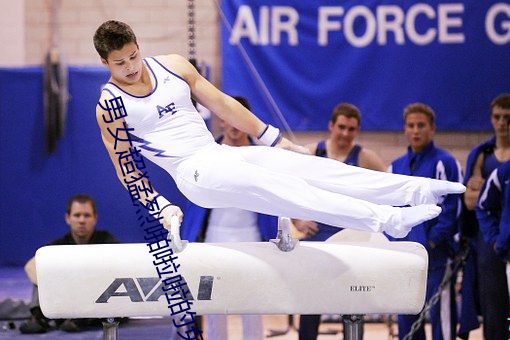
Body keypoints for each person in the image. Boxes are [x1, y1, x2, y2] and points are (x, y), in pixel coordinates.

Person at [93, 20, 465, 250]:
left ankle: (412, 189)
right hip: (193, 175)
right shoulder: (109, 106)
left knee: (310, 168)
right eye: (119, 63)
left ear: (139, 46)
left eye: (133, 56)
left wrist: (273, 138)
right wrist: (161, 207)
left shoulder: (172, 66)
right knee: (283, 189)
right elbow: (127, 171)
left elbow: (223, 103)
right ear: (105, 63)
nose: (130, 67)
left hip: (219, 155)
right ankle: (386, 220)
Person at [181, 96, 278, 340]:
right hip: (214, 238)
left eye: (239, 120)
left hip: (254, 239)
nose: (235, 126)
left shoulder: (262, 159)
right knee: (214, 305)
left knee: (253, 306)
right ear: (221, 120)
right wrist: (187, 238)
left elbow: (275, 199)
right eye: (229, 119)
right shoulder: (204, 154)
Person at [296, 102, 386, 340]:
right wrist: (297, 220)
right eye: (342, 127)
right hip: (317, 235)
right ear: (331, 126)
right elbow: (285, 189)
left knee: (354, 300)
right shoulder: (311, 152)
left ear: (357, 131)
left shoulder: (366, 158)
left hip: (351, 239)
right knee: (310, 302)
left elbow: (389, 192)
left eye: (351, 129)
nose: (346, 134)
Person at [387, 103, 462, 340]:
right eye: (411, 126)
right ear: (405, 130)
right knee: (407, 321)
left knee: (442, 320)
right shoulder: (395, 167)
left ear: (432, 129)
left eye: (421, 125)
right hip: (405, 259)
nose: (416, 131)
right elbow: (388, 209)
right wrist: (395, 243)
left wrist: (432, 241)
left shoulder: (445, 163)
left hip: (436, 257)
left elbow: (452, 209)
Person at [19, 194, 120, 334]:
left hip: (96, 301)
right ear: (68, 218)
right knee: (42, 270)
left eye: (87, 215)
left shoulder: (108, 242)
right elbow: (31, 266)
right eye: (77, 215)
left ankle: (80, 319)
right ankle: (38, 318)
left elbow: (118, 270)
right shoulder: (57, 246)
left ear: (95, 218)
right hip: (65, 297)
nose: (82, 221)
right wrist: (60, 283)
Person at [460, 93, 510, 340]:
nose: (502, 123)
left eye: (507, 118)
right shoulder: (482, 154)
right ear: (491, 119)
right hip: (489, 238)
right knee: (493, 304)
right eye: (497, 117)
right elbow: (469, 202)